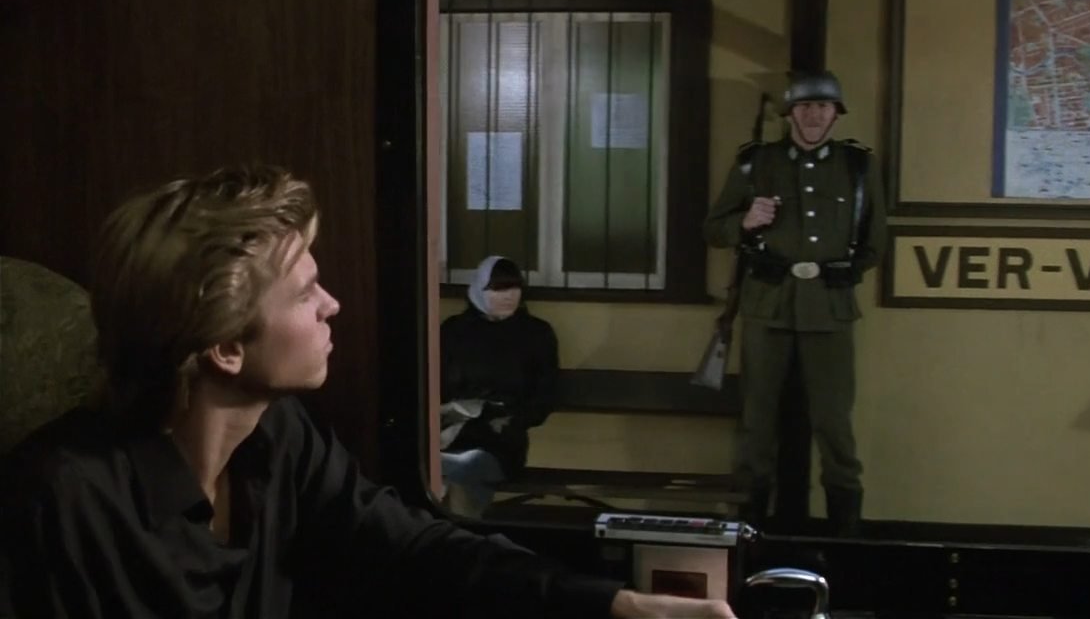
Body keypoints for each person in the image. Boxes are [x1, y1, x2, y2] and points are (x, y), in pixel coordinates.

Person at [0, 165, 735, 618]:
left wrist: (613, 603)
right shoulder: (57, 502)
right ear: (225, 347)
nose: (333, 305)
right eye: (305, 292)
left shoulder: (280, 438)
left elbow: (412, 548)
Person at [703, 70, 886, 537]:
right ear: (789, 114)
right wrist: (745, 221)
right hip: (768, 305)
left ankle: (845, 531)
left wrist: (841, 274)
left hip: (830, 309)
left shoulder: (857, 166)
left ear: (836, 114)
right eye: (805, 107)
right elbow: (714, 229)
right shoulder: (756, 163)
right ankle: (749, 526)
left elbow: (875, 242)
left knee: (834, 424)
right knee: (757, 422)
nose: (813, 115)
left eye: (823, 107)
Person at [439, 255, 556, 517]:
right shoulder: (455, 330)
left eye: (514, 288)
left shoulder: (535, 334)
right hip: (452, 434)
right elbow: (436, 385)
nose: (508, 296)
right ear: (478, 290)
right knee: (434, 465)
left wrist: (512, 419)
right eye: (498, 289)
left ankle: (458, 530)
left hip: (501, 440)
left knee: (463, 468)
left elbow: (545, 395)